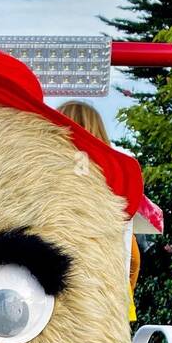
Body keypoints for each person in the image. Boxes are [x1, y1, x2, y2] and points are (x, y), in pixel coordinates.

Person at [58, 101, 141, 319]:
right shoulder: (117, 183)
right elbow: (133, 258)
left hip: (56, 296)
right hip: (107, 299)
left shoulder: (48, 179)